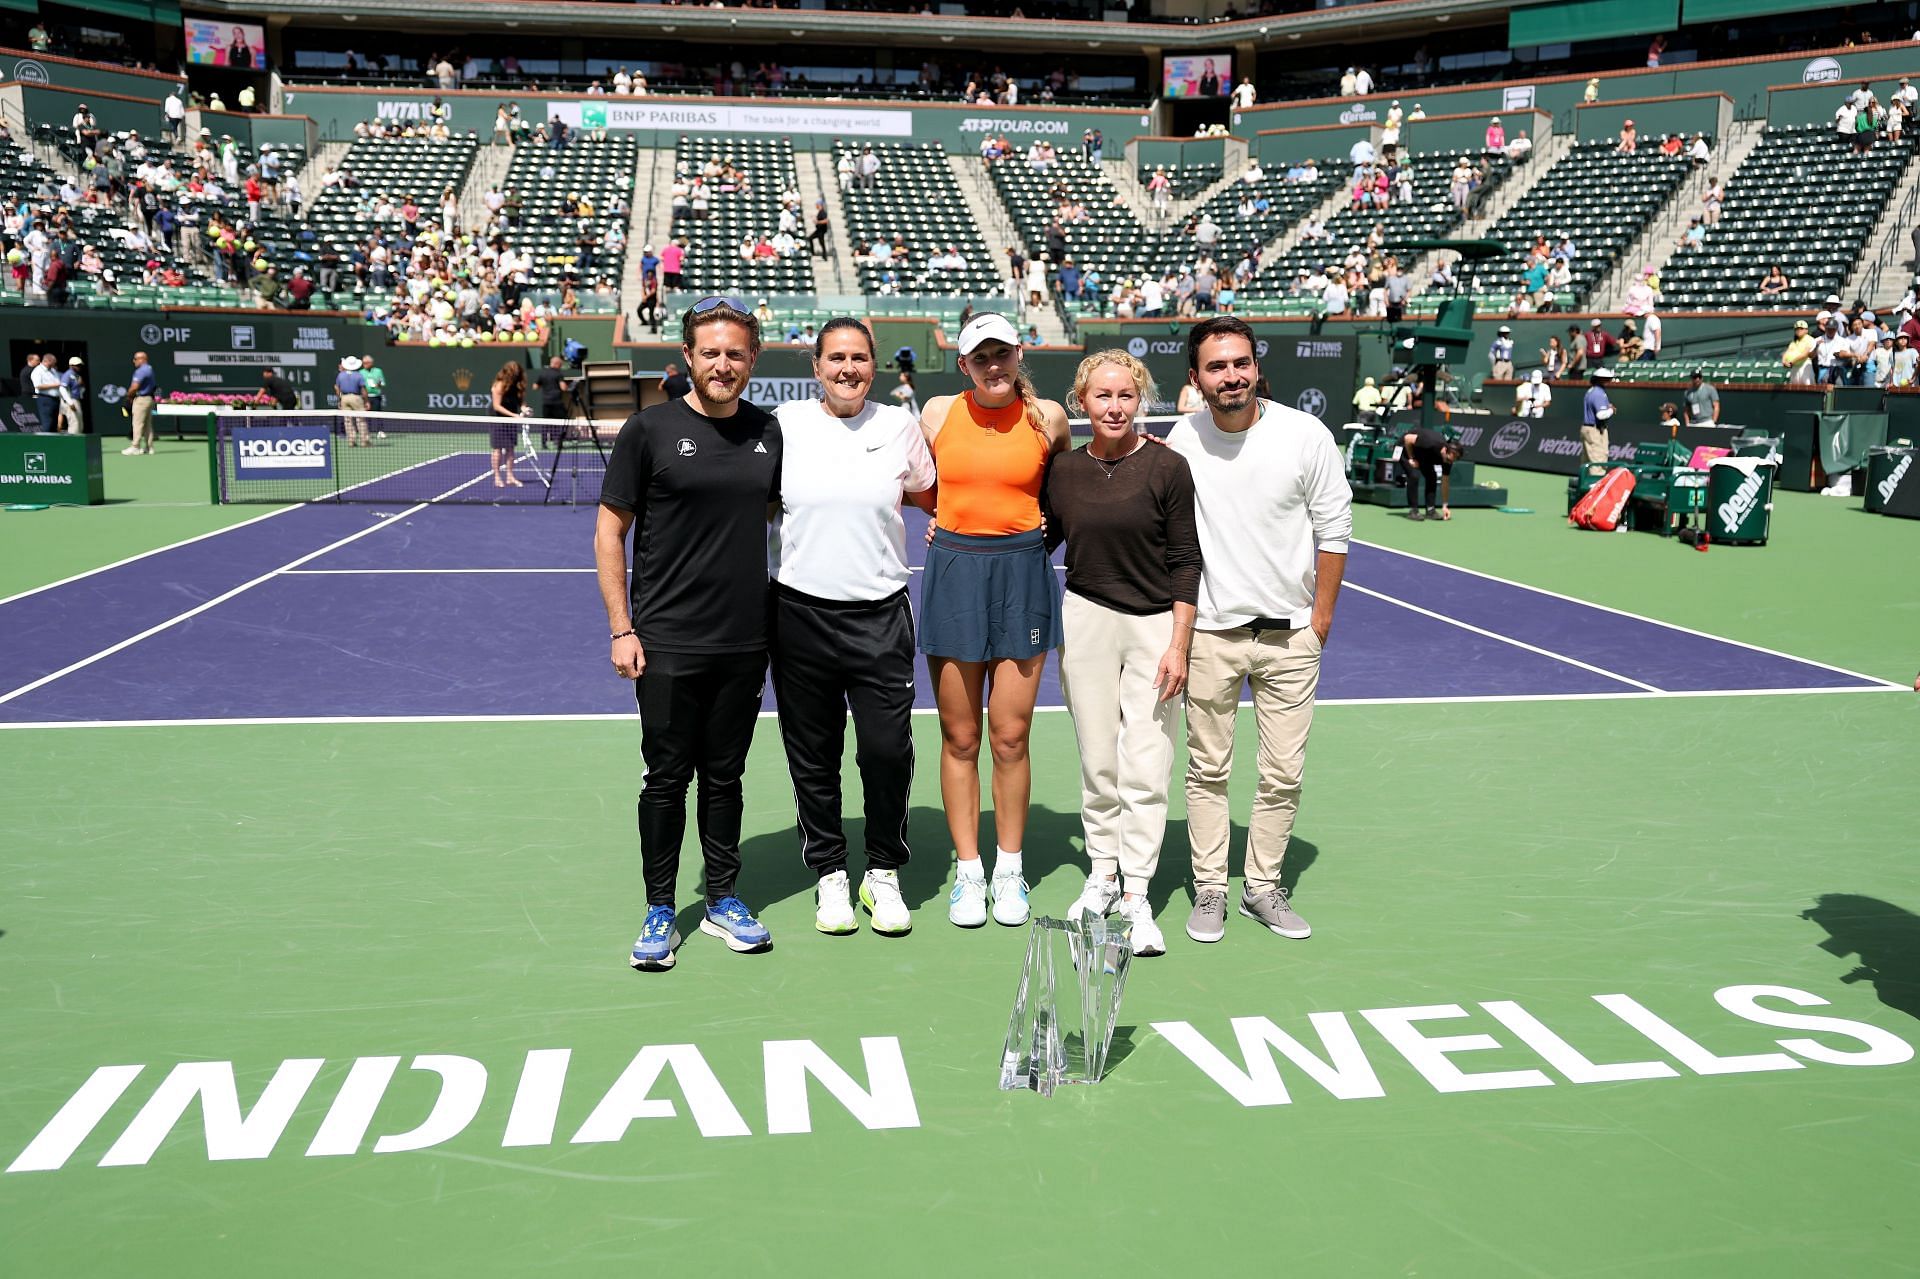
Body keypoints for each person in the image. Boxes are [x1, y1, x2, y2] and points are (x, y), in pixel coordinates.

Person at [597, 297, 782, 971]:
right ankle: (658, 907)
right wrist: (623, 626)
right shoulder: (647, 431)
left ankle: (723, 899)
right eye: (711, 352)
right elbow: (609, 531)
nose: (723, 364)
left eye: (735, 352)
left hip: (743, 641)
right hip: (667, 640)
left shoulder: (769, 433)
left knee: (726, 776)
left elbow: (775, 517)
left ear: (752, 359)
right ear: (689, 357)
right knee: (666, 778)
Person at [1168, 316, 1350, 945]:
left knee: (1283, 774)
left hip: (1290, 637)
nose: (1232, 376)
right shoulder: (1182, 439)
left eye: (1240, 363)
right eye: (1217, 367)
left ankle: (1262, 888)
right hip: (1211, 636)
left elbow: (1334, 530)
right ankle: (1212, 888)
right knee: (1206, 770)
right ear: (1196, 378)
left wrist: (1319, 619)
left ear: (1257, 367)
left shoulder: (1306, 435)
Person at [771, 318, 936, 937]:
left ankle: (884, 872)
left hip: (881, 617)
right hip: (799, 616)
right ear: (816, 367)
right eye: (836, 357)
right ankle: (831, 874)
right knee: (813, 755)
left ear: (873, 366)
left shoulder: (899, 427)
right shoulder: (785, 426)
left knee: (887, 752)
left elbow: (930, 495)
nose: (848, 368)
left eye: (859, 358)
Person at [917, 312, 1071, 929]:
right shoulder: (934, 414)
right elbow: (907, 482)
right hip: (955, 573)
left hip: (1022, 576)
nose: (993, 366)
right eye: (981, 357)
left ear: (1018, 355)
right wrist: (942, 515)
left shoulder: (1048, 418)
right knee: (960, 738)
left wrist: (1044, 532)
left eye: (1002, 354)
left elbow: (1071, 490)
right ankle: (970, 871)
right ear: (964, 366)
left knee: (1010, 737)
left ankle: (1010, 869)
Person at [1047, 351, 1201, 957]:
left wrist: (1179, 644)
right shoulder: (1063, 471)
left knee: (1147, 762)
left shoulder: (1168, 467)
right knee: (1097, 760)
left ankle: (1136, 894)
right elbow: (1037, 534)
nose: (1114, 407)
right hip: (1085, 620)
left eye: (1126, 396)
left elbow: (1187, 560)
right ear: (1081, 402)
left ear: (1141, 400)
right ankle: (1102, 874)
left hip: (1155, 626)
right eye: (1102, 396)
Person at [1399, 425, 1463, 521]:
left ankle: (1430, 510)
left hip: (1422, 454)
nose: (1449, 462)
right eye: (1448, 459)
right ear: (1445, 450)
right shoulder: (1431, 442)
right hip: (1405, 448)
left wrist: (1445, 506)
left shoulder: (1448, 460)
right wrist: (1412, 458)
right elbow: (1407, 438)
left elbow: (1445, 481)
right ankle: (1413, 511)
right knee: (1414, 475)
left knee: (1432, 476)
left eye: (1451, 461)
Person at [488, 361, 528, 488]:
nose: (516, 376)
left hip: (511, 418)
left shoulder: (518, 385)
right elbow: (496, 406)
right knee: (498, 449)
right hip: (498, 418)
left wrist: (523, 409)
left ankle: (510, 476)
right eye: (514, 374)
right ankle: (497, 477)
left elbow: (521, 402)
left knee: (510, 448)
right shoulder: (499, 385)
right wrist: (514, 415)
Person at [1582, 367, 1617, 464]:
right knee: (1598, 463)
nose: (1609, 381)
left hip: (1589, 429)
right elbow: (1601, 415)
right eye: (1607, 379)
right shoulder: (1598, 393)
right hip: (1595, 431)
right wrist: (1611, 410)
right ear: (1601, 380)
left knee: (1587, 462)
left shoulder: (1591, 391)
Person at [124, 351, 156, 455]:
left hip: (142, 399)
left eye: (135, 359)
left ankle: (135, 447)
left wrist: (129, 396)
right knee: (147, 425)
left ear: (142, 359)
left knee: (137, 423)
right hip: (149, 399)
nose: (133, 361)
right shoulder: (149, 369)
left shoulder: (141, 371)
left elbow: (134, 387)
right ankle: (149, 447)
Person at [335, 356, 369, 448]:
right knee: (361, 420)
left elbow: (337, 388)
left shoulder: (340, 375)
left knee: (348, 421)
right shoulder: (358, 375)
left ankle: (351, 441)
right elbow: (363, 389)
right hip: (356, 398)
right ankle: (364, 441)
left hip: (344, 398)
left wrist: (340, 399)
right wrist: (366, 401)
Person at [30, 353, 60, 434]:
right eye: (53, 362)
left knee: (54, 424)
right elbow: (38, 386)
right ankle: (46, 444)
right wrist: (56, 385)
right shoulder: (38, 371)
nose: (54, 364)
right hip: (45, 399)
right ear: (47, 361)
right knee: (47, 423)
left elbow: (59, 381)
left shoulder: (53, 370)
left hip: (55, 399)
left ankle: (54, 444)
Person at [533, 354, 568, 421]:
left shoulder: (543, 374)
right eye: (560, 365)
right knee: (562, 422)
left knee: (547, 424)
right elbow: (563, 388)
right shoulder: (559, 374)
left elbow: (535, 387)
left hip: (546, 403)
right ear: (557, 364)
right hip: (557, 403)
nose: (560, 366)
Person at [57, 357, 85, 435]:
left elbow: (79, 389)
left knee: (79, 422)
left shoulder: (77, 375)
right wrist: (70, 402)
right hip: (71, 400)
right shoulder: (68, 374)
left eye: (80, 365)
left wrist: (81, 385)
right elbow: (62, 389)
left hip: (76, 400)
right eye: (77, 365)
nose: (79, 367)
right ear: (71, 365)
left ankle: (79, 443)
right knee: (74, 422)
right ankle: (73, 443)